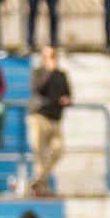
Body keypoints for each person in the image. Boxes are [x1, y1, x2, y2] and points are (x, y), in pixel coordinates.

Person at [27, 45, 71, 196]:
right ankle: (40, 184)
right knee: (38, 151)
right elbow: (37, 88)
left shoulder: (61, 75)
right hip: (39, 116)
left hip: (55, 118)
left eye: (53, 56)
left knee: (58, 149)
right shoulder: (37, 73)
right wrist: (48, 73)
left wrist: (66, 99)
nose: (50, 60)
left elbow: (67, 93)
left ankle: (37, 181)